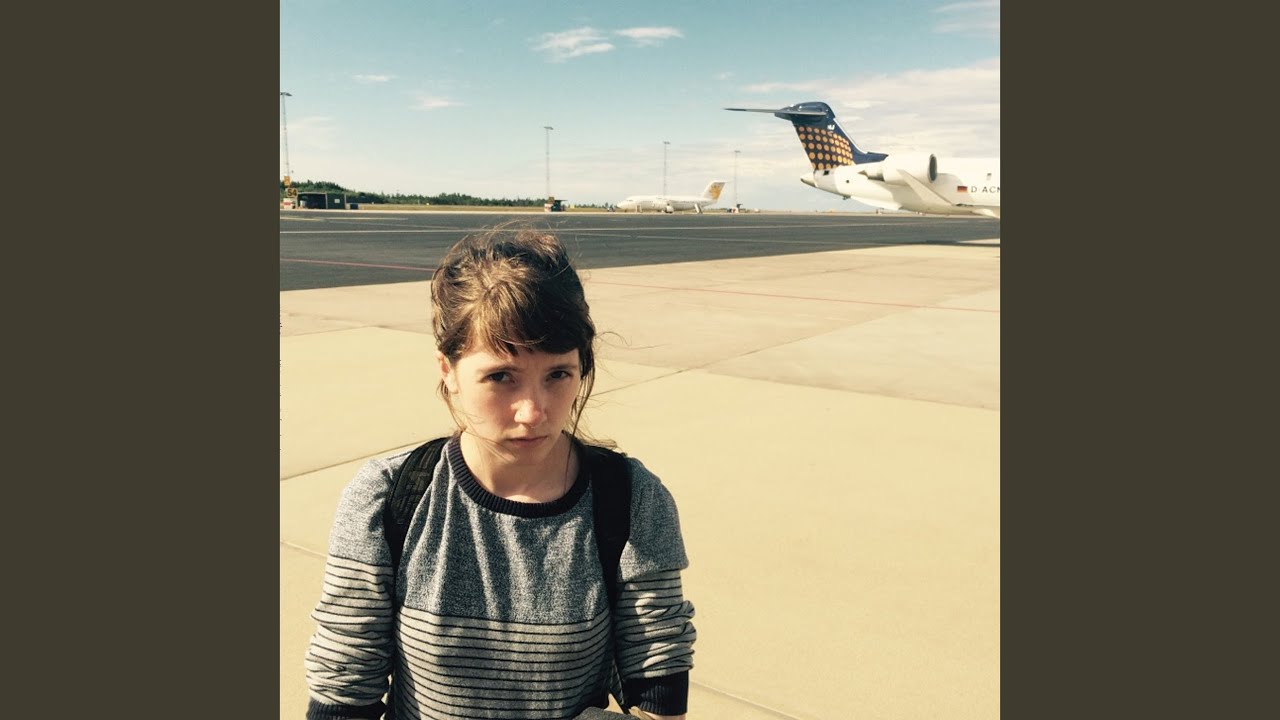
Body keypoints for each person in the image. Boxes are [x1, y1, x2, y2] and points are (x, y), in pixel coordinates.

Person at [304, 225, 696, 719]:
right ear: (447, 371)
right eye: (500, 377)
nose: (533, 412)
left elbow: (659, 685)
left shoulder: (632, 498)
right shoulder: (387, 497)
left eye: (558, 374)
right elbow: (343, 687)